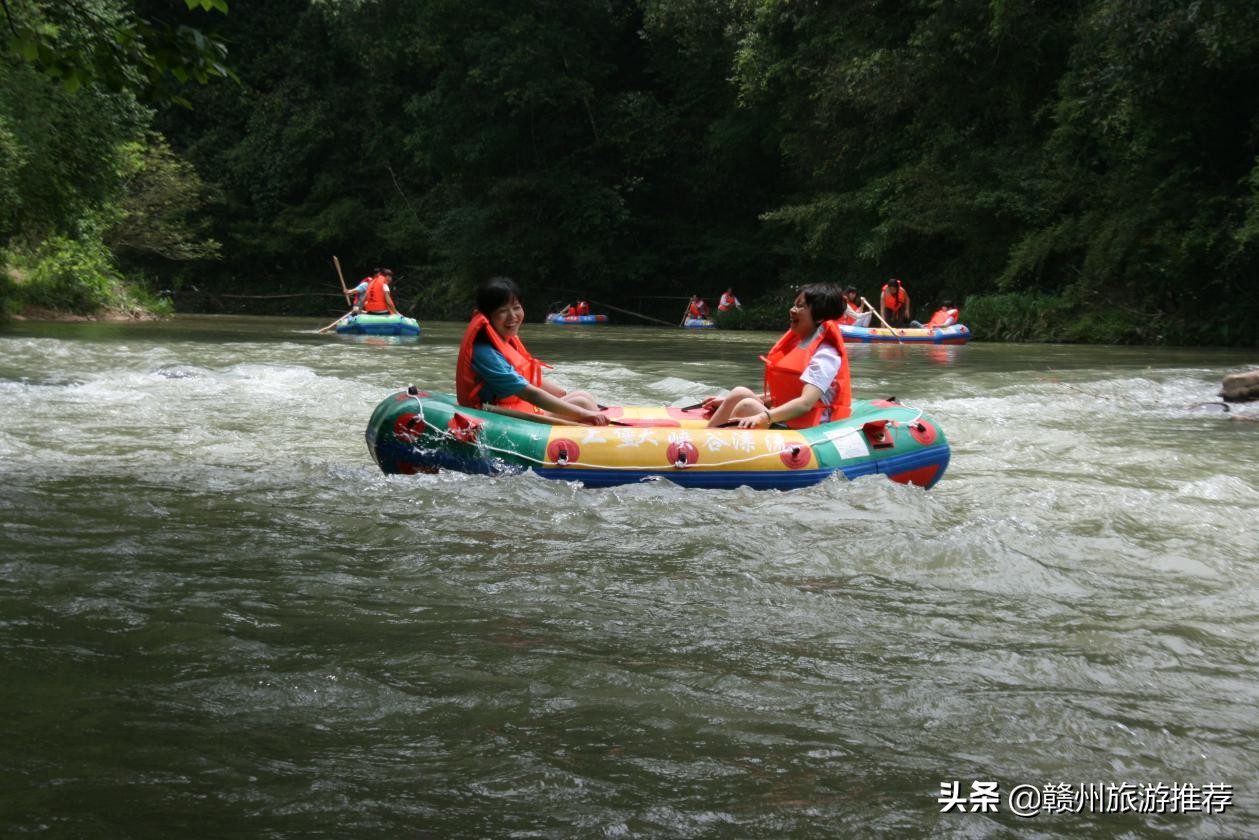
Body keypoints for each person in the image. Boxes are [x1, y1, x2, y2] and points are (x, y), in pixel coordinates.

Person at [456, 276, 609, 425]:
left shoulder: (504, 340)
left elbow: (527, 376)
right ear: (487, 316)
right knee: (581, 403)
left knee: (582, 396)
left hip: (516, 408)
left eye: (516, 307)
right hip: (495, 415)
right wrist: (585, 414)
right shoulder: (484, 353)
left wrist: (563, 396)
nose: (513, 316)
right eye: (503, 310)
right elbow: (528, 392)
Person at [702, 283, 852, 429]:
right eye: (794, 304)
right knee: (740, 393)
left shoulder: (826, 355)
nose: (792, 310)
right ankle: (706, 439)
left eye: (800, 306)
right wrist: (727, 402)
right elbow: (784, 396)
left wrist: (763, 416)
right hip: (791, 419)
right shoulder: (800, 345)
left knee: (747, 406)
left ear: (820, 317)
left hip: (809, 428)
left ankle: (711, 447)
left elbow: (805, 403)